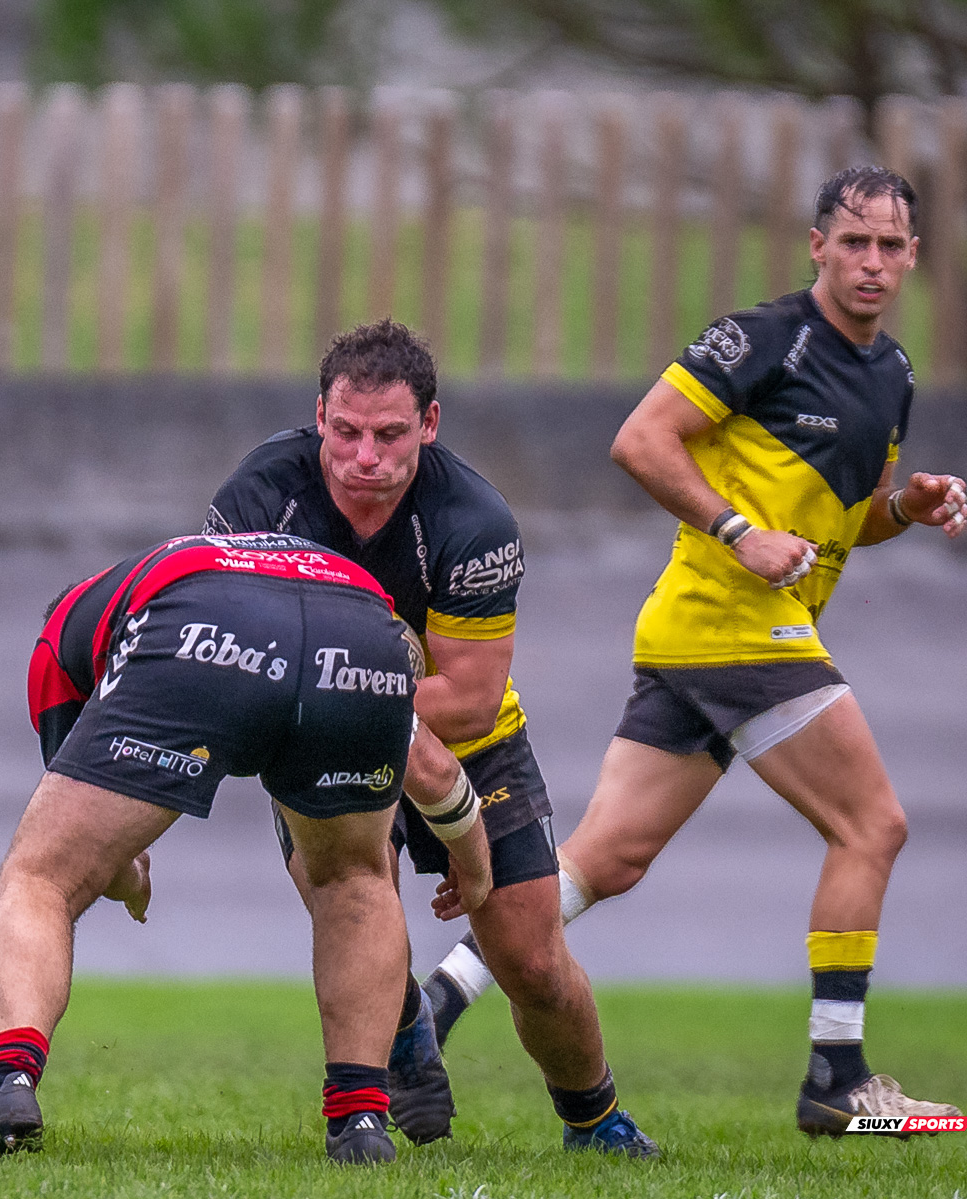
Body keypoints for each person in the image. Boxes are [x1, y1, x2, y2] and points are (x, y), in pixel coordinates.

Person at [414, 165, 967, 1138]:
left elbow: (850, 519)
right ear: (817, 246)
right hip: (736, 625)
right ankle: (836, 1073)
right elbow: (640, 439)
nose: (872, 261)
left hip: (702, 639)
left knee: (606, 857)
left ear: (913, 255)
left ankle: (436, 1003)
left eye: (890, 245)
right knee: (872, 824)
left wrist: (905, 509)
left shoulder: (893, 373)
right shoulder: (763, 338)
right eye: (854, 242)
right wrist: (735, 528)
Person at [203, 320, 657, 1157]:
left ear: (431, 424)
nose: (364, 456)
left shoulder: (473, 520)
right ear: (319, 417)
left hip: (467, 744)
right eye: (345, 432)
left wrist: (329, 689)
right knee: (352, 905)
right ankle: (404, 1018)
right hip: (322, 745)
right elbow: (232, 657)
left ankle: (595, 1119)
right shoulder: (260, 497)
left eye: (389, 435)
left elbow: (471, 700)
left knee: (531, 960)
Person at [0, 532, 481, 1166]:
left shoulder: (62, 639)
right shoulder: (209, 563)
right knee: (353, 878)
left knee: (41, 877)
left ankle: (7, 1087)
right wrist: (478, 867)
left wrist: (125, 878)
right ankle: (359, 1121)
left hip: (206, 629)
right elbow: (433, 770)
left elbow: (92, 855)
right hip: (361, 625)